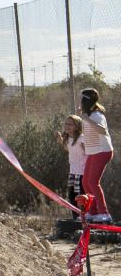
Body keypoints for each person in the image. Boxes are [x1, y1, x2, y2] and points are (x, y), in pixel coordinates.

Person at [79, 87, 113, 223]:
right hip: (93, 152)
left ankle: (105, 213)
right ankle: (93, 212)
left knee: (93, 182)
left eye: (81, 100)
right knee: (85, 182)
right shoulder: (88, 116)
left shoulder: (97, 115)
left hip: (102, 151)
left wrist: (86, 119)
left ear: (85, 102)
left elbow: (102, 130)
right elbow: (89, 133)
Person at [55, 115, 86, 218]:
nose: (67, 126)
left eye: (70, 124)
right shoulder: (68, 139)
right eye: (66, 124)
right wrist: (60, 141)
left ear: (77, 126)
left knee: (80, 196)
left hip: (82, 172)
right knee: (72, 195)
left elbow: (89, 153)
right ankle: (76, 217)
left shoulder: (82, 138)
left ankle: (84, 218)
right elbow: (69, 149)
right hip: (73, 172)